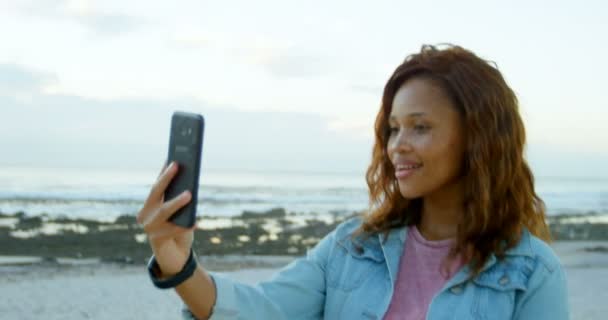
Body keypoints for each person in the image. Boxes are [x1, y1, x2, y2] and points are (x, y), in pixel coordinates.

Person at [137, 44, 569, 320]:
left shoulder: (531, 273)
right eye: (394, 129)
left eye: (419, 127)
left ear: (478, 138)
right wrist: (179, 265)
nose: (397, 145)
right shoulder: (351, 248)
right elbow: (261, 311)